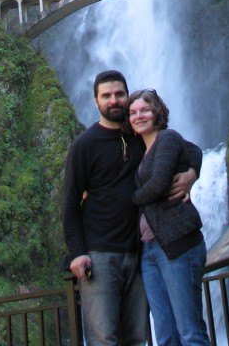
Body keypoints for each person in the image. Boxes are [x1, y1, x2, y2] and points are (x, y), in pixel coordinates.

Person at [62, 71, 202, 346]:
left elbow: (191, 149)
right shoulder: (84, 145)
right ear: (96, 101)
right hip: (101, 255)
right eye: (106, 96)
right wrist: (77, 253)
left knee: (138, 337)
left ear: (127, 97)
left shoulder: (140, 134)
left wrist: (191, 174)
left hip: (141, 253)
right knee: (105, 338)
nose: (114, 100)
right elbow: (69, 204)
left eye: (119, 94)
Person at [128, 89, 212, 346]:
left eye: (145, 110)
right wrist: (192, 170)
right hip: (150, 250)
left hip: (178, 244)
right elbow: (193, 151)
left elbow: (161, 183)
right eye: (133, 112)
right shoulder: (139, 150)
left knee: (189, 332)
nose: (138, 116)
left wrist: (128, 201)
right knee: (165, 335)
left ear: (157, 112)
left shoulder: (167, 139)